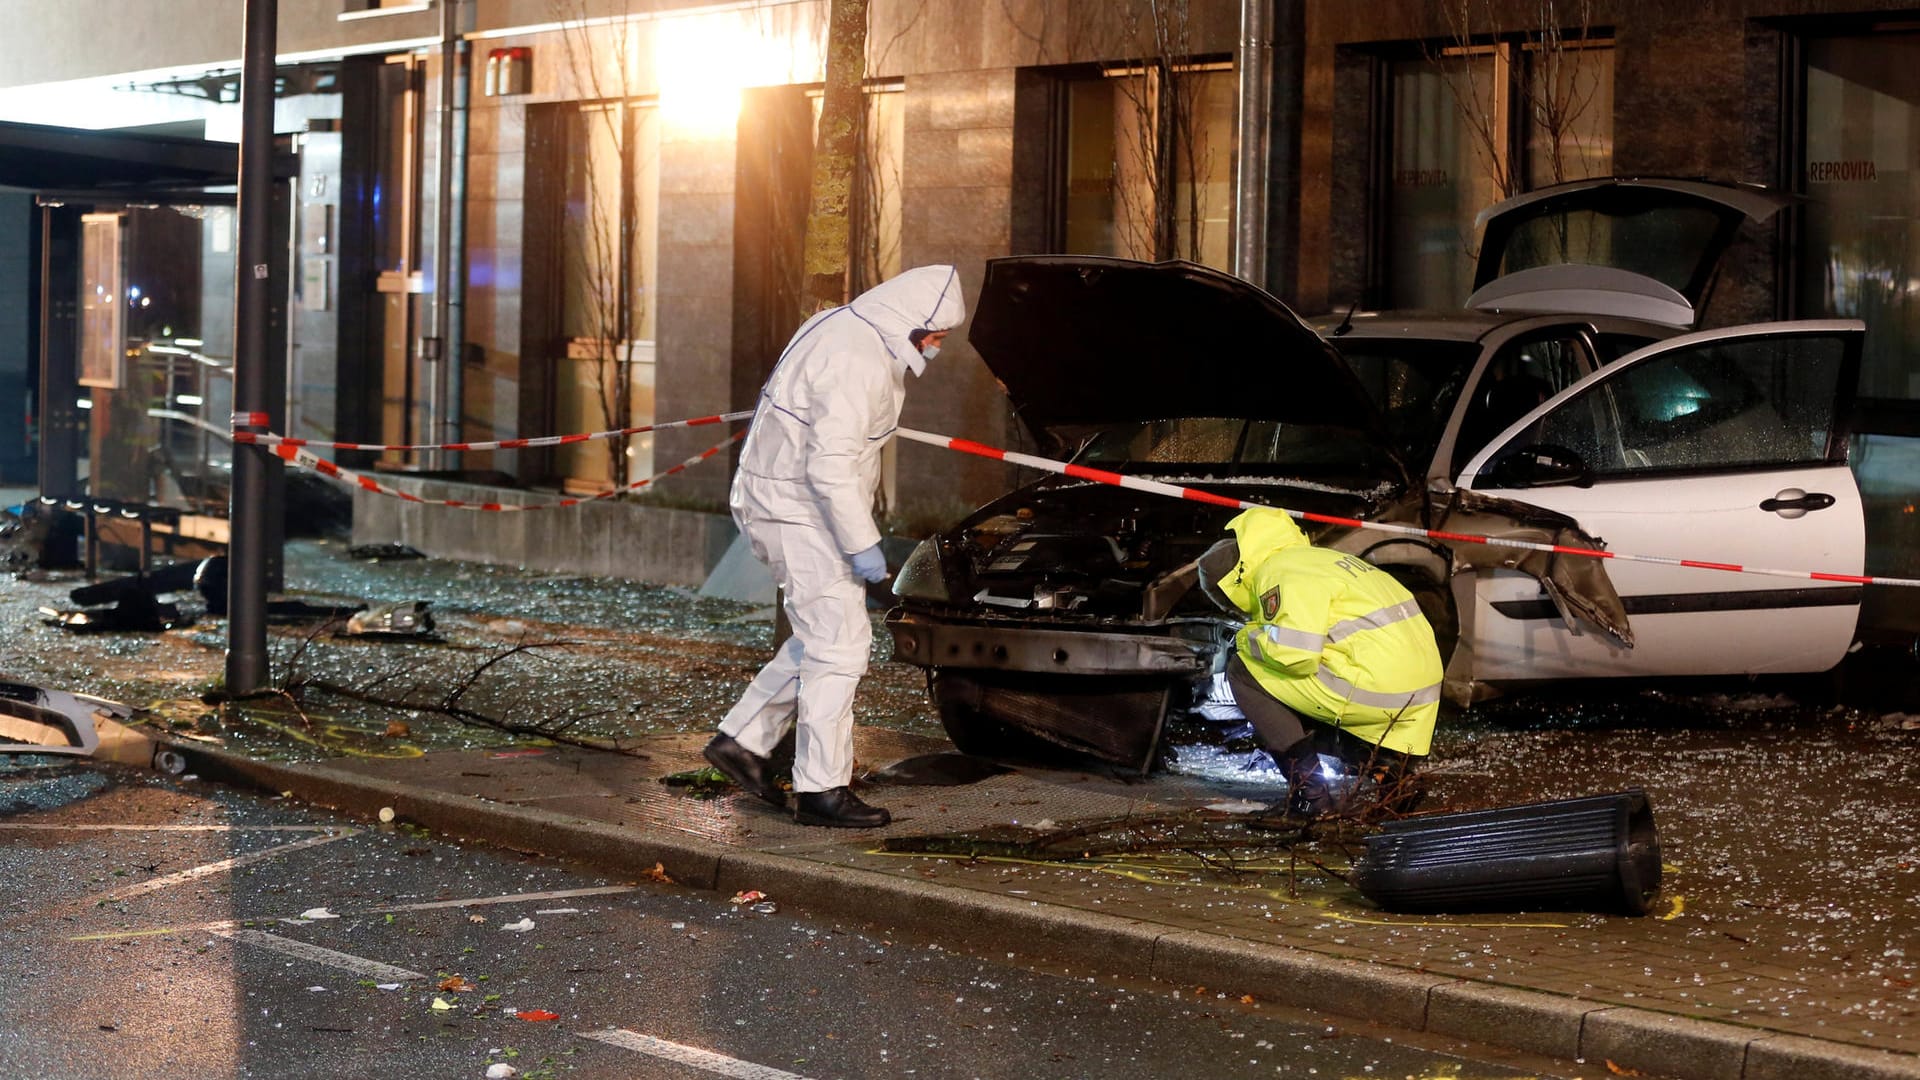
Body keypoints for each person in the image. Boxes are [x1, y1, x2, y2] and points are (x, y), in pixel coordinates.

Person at [702, 265, 966, 828]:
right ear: (913, 323)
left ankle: (744, 741)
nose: (939, 345)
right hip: (799, 511)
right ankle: (821, 790)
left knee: (821, 637)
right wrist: (865, 550)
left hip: (784, 501)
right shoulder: (857, 361)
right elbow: (830, 468)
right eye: (938, 334)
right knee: (842, 646)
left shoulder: (844, 330)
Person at [1200, 506, 1444, 817]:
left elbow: (1295, 654)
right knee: (1295, 694)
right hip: (1417, 693)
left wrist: (1246, 638)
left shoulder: (1277, 572)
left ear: (1232, 581)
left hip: (1374, 689)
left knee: (1245, 673)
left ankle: (1309, 796)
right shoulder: (1320, 559)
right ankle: (1386, 765)